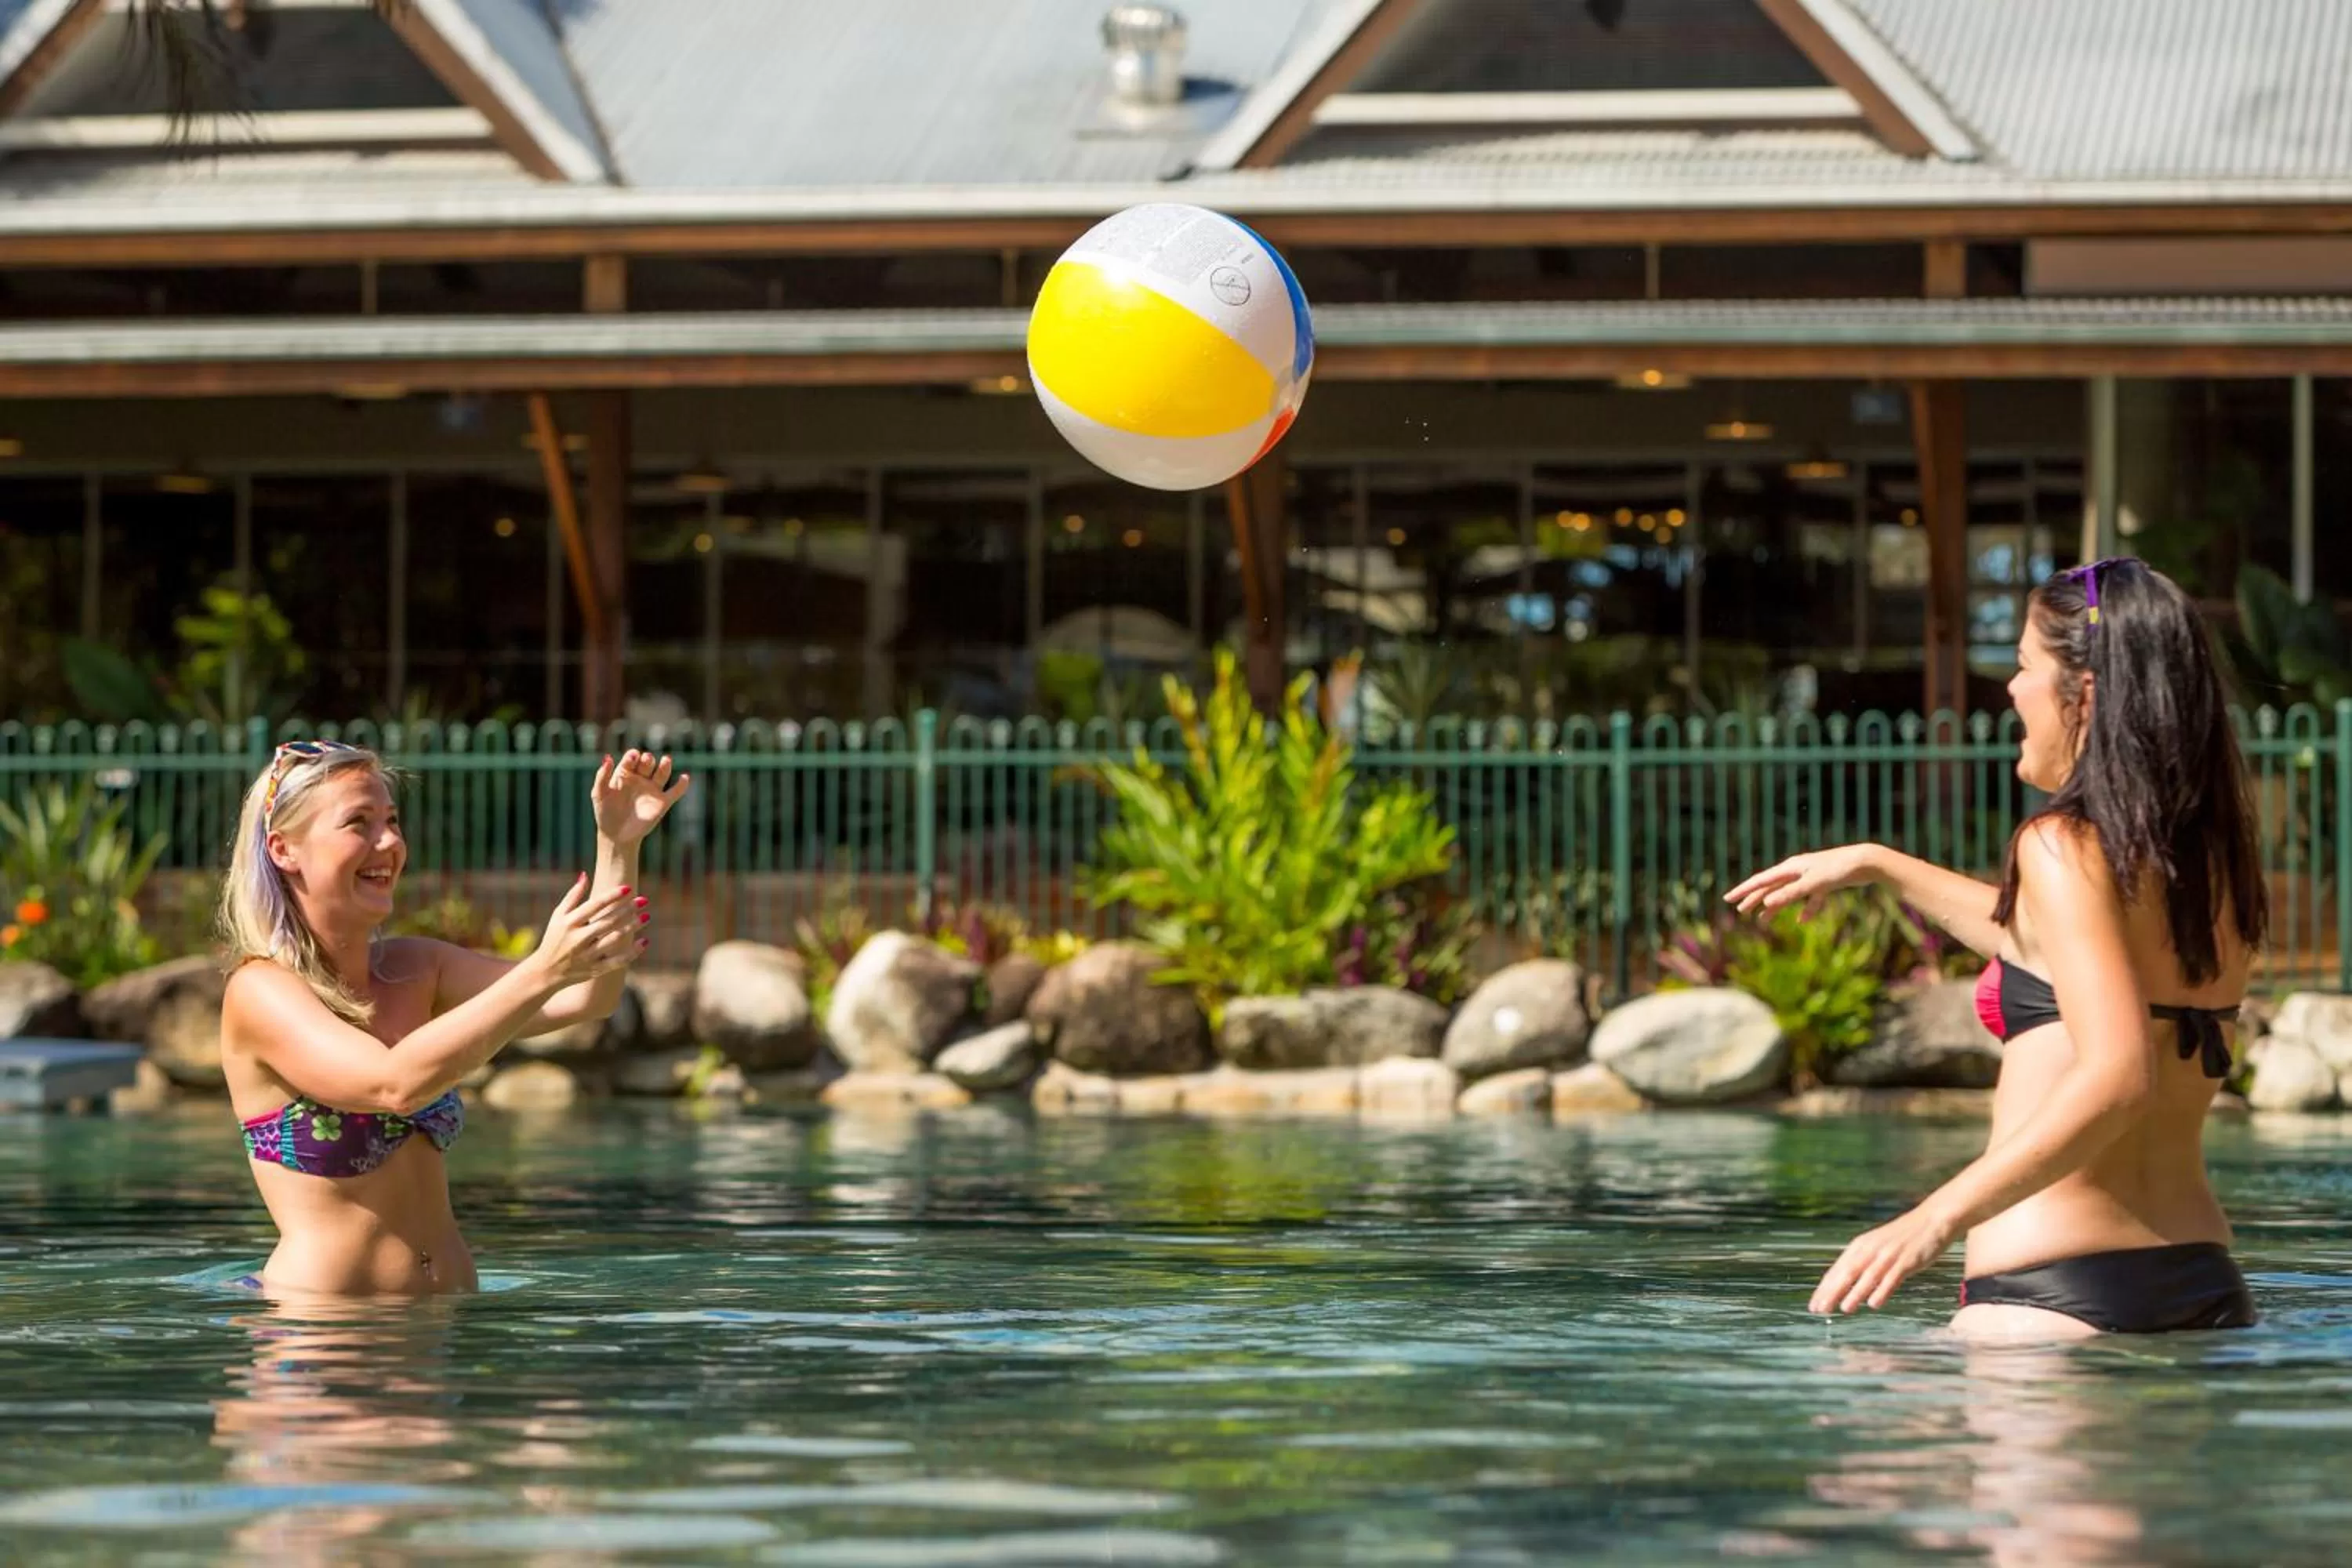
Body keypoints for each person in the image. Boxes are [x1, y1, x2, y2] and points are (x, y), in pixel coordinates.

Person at [1726, 557, 2266, 1340]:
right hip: (2205, 1291)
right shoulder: (2211, 867)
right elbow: (2060, 948)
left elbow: (2120, 1074)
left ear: (2083, 694)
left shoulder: (2058, 844)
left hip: (2053, 1299)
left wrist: (1930, 1218)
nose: (2010, 689)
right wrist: (1881, 863)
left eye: (2022, 666)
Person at [217, 742, 691, 1297]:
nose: (390, 842)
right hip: (321, 1343)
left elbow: (589, 998)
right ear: (284, 849)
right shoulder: (261, 991)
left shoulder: (416, 968)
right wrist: (542, 967)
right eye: (359, 823)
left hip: (435, 1338)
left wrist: (618, 845)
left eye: (392, 821)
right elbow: (392, 1084)